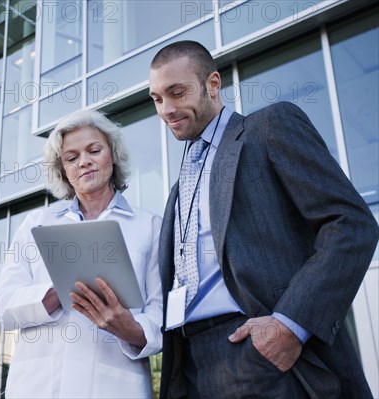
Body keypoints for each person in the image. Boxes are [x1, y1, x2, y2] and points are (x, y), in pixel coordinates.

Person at [148, 40, 379, 398]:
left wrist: (290, 325)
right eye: (157, 99)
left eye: (177, 92)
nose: (167, 108)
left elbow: (349, 223)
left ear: (212, 84)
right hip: (192, 366)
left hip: (260, 354)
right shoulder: (180, 188)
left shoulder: (267, 127)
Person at [0, 109, 162, 398]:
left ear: (113, 155)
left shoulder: (150, 227)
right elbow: (2, 311)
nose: (84, 162)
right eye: (71, 158)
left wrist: (129, 328)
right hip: (38, 387)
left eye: (94, 150)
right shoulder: (36, 225)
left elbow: (159, 315)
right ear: (63, 170)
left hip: (116, 386)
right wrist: (56, 290)